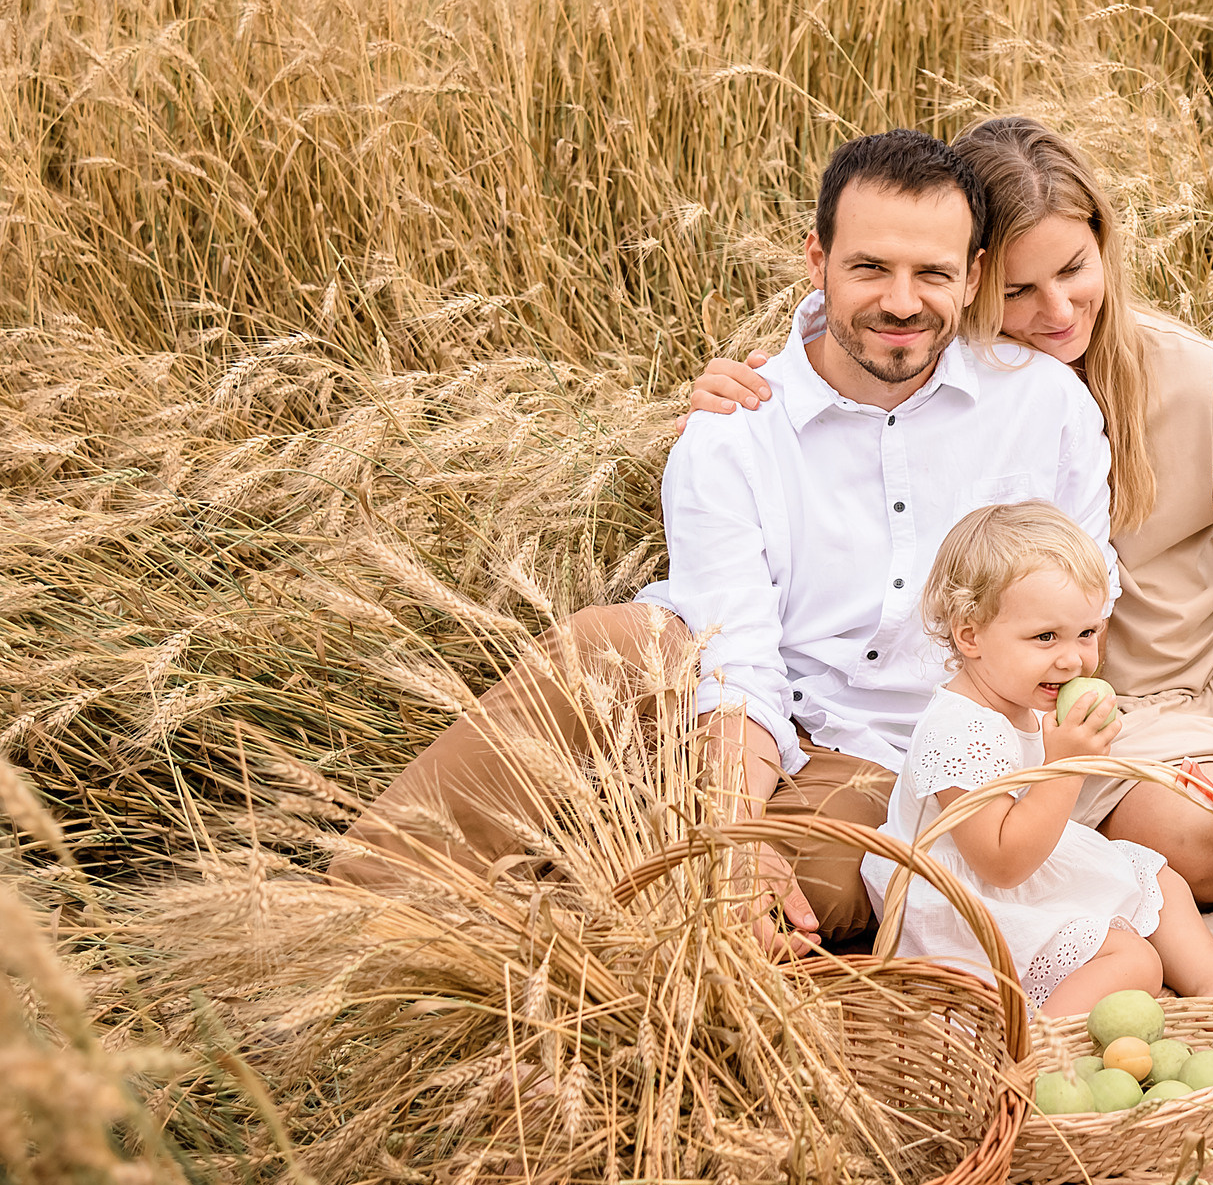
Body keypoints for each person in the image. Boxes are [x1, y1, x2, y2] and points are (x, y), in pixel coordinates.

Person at [331, 129, 1112, 956]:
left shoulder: (1044, 409)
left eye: (932, 274)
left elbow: (1084, 606)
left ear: (975, 275)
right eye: (870, 268)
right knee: (609, 646)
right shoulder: (736, 428)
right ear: (818, 260)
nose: (901, 301)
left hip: (897, 755)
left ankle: (547, 915)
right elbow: (735, 657)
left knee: (821, 884)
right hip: (716, 703)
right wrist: (737, 831)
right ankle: (357, 907)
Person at [690, 115, 1213, 971]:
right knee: (1162, 837)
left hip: (1182, 678)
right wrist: (762, 380)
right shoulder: (913, 369)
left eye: (1075, 271)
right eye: (1018, 290)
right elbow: (856, 348)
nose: (1058, 310)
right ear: (978, 285)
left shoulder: (1169, 380)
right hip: (1039, 700)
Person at [869, 501, 1213, 1023]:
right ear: (969, 635)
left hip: (1022, 865)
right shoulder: (959, 731)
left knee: (1156, 879)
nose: (1074, 659)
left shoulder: (1020, 701)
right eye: (1046, 637)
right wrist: (1067, 765)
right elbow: (1000, 862)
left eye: (1086, 634)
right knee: (1132, 960)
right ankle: (1034, 1048)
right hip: (967, 907)